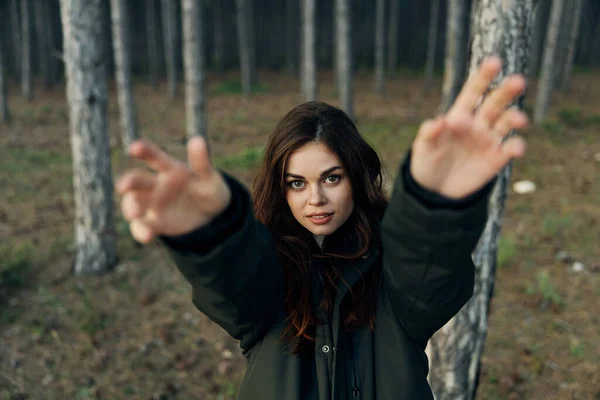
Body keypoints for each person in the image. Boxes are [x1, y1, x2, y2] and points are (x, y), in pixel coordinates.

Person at [117, 57, 528, 399]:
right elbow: (236, 280)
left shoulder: (392, 267)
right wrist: (214, 233)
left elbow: (426, 266)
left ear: (356, 176)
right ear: (281, 188)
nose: (315, 199)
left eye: (332, 178)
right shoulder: (267, 267)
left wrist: (433, 205)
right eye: (297, 183)